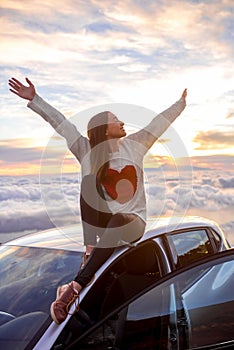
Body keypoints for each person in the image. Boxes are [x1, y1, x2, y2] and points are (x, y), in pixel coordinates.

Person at [9, 77, 187, 324]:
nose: (122, 122)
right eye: (116, 120)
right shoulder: (86, 151)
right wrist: (34, 99)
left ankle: (74, 287)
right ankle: (90, 248)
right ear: (104, 128)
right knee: (88, 184)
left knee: (118, 219)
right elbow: (61, 123)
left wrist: (180, 104)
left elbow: (159, 124)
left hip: (132, 223)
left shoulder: (136, 145)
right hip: (101, 226)